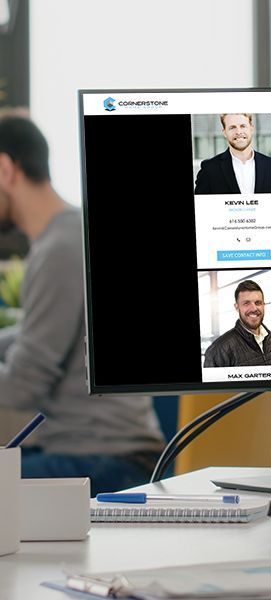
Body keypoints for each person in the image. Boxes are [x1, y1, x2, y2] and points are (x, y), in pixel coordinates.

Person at [0, 115, 165, 495]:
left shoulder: (58, 250)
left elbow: (21, 388)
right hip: (112, 455)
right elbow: (36, 335)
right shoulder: (74, 233)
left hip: (103, 464)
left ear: (6, 169)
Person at [194, 113, 271, 195]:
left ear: (251, 129)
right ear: (224, 132)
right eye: (232, 127)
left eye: (243, 126)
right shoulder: (209, 168)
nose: (238, 132)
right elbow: (200, 209)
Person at [204, 280, 271, 367]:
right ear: (237, 307)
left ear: (263, 305)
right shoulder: (219, 350)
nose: (254, 308)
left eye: (258, 303)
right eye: (246, 303)